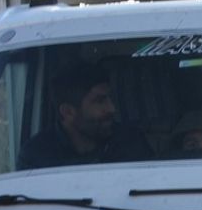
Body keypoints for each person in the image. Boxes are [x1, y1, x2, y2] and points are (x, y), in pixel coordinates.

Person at [17, 64, 153, 170]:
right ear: (68, 112)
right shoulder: (35, 157)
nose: (112, 108)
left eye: (110, 99)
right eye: (100, 101)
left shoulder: (131, 144)